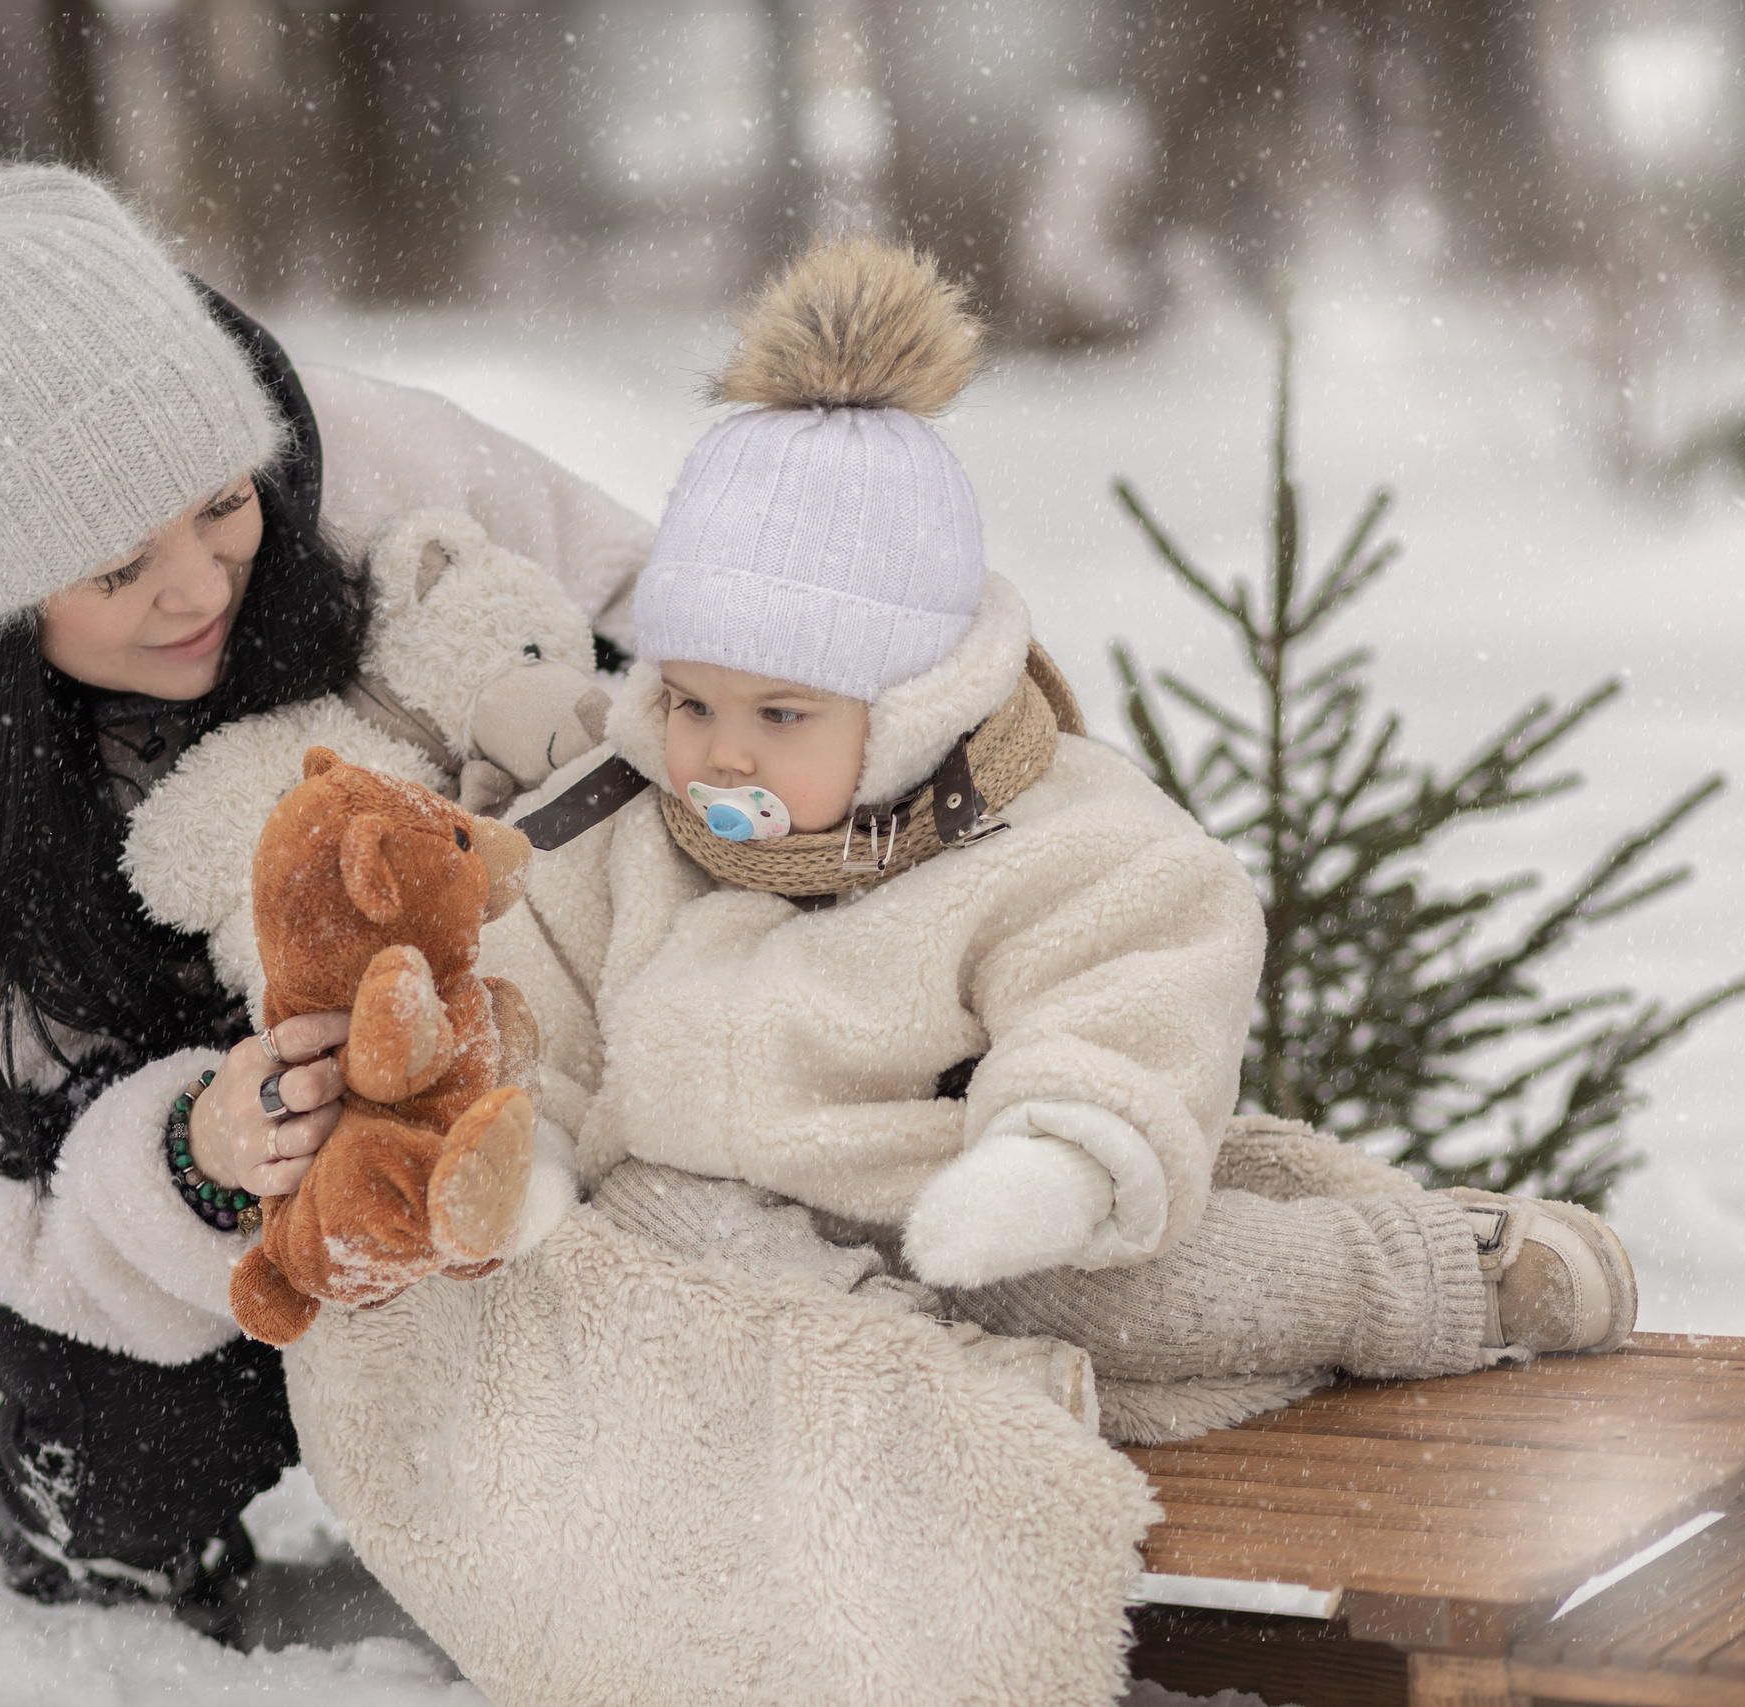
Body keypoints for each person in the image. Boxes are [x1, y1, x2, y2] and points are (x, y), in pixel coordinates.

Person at [0, 162, 651, 1636]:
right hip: (69, 1153)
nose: (198, 585)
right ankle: (89, 1509)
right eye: (117, 565)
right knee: (190, 1404)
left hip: (422, 1022)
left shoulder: (341, 451)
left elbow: (674, 615)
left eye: (220, 507)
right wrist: (202, 1158)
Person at [499, 234, 1638, 1400]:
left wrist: (1052, 1159)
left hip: (970, 1203)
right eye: (689, 701)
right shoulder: (619, 835)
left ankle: (1438, 1274)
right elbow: (526, 983)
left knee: (1151, 1299)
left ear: (904, 705)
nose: (717, 752)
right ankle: (960, 1395)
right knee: (641, 1227)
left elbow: (1129, 970)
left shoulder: (1038, 833)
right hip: (725, 1229)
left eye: (780, 714)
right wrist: (518, 1138)